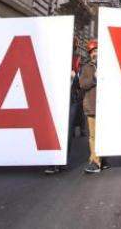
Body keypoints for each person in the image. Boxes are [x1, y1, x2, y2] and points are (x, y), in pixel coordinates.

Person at [45, 42, 86, 175]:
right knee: (52, 131)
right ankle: (53, 161)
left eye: (72, 47)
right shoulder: (54, 58)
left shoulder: (77, 61)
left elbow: (82, 81)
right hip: (55, 99)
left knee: (66, 132)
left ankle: (61, 161)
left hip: (71, 100)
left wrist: (75, 77)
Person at [80, 40, 106, 174]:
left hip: (105, 105)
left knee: (105, 134)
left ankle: (103, 159)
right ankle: (95, 161)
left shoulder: (108, 65)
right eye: (92, 52)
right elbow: (82, 84)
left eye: (97, 51)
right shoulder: (86, 68)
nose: (95, 54)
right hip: (92, 105)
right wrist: (94, 78)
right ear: (90, 54)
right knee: (93, 135)